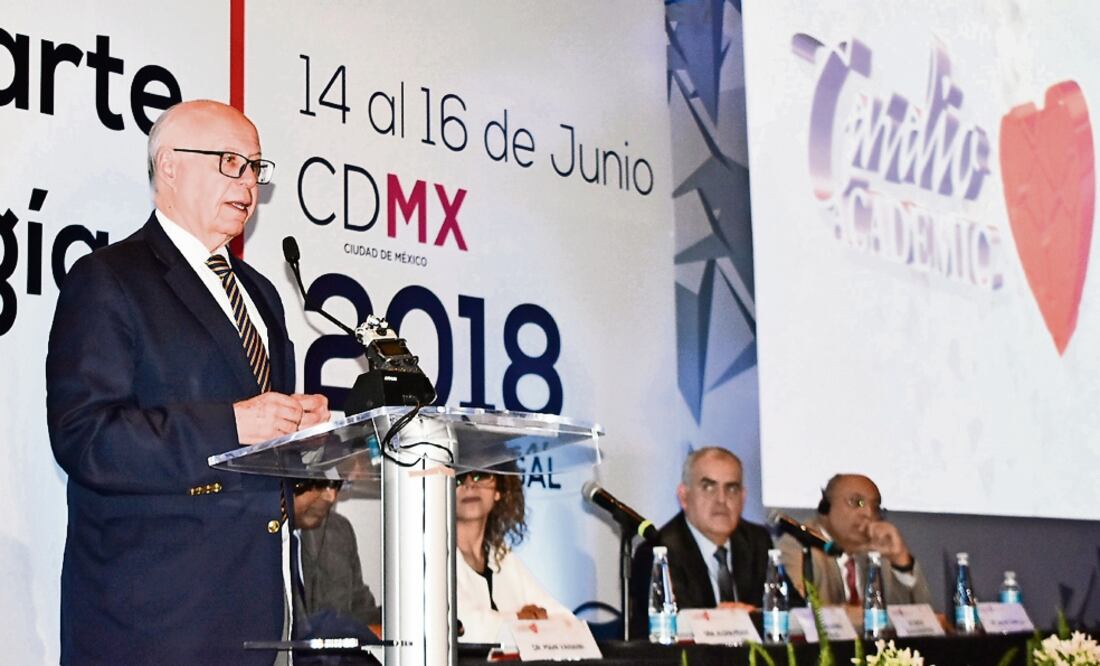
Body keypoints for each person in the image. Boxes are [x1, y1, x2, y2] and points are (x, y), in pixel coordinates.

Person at [46, 99, 330, 665]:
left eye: (255, 167)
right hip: (151, 623)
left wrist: (298, 434)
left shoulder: (261, 294)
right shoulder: (109, 279)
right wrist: (232, 424)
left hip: (259, 618)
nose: (249, 183)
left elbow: (261, 448)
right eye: (230, 162)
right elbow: (85, 438)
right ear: (170, 166)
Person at [628, 447, 772, 639]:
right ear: (684, 496)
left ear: (743, 498)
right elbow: (676, 624)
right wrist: (726, 620)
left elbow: (792, 609)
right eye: (708, 487)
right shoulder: (658, 552)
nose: (722, 499)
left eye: (731, 488)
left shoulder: (758, 541)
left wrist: (751, 615)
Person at [776, 474, 932, 607]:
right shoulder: (799, 545)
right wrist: (872, 616)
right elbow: (799, 615)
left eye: (876, 506)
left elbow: (922, 618)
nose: (868, 513)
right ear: (825, 506)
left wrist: (901, 560)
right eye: (857, 502)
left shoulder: (877, 551)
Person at [455, 468, 570, 643]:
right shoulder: (431, 555)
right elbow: (463, 626)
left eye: (481, 474)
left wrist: (527, 622)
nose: (470, 484)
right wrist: (521, 621)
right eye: (459, 478)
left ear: (498, 491)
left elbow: (566, 622)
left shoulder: (501, 555)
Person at [292, 479, 381, 629]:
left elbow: (361, 610)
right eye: (320, 484)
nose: (331, 497)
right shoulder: (254, 539)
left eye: (336, 485)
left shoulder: (338, 530)